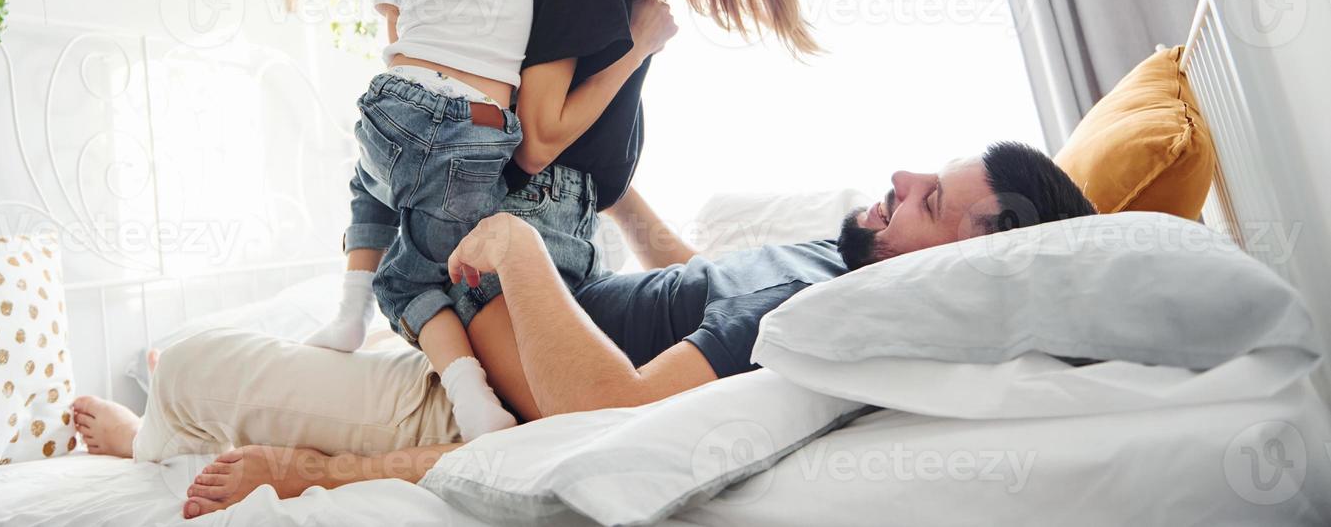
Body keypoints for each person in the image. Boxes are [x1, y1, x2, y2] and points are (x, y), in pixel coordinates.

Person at [72, 0, 820, 514]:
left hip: (547, 254)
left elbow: (601, 181)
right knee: (230, 355)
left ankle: (236, 425)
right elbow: (536, 141)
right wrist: (637, 46)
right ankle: (163, 438)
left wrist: (703, 272)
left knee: (434, 342)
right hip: (511, 250)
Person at [72, 142, 1095, 517]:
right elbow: (682, 303)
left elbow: (611, 411)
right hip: (481, 336)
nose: (902, 177)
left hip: (466, 382)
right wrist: (628, 198)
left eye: (929, 202)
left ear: (967, 262)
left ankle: (150, 444)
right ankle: (182, 432)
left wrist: (516, 250)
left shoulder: (826, 307)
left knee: (193, 358)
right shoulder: (824, 264)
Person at [305, 0, 646, 442]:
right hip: (484, 136)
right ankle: (432, 369)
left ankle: (359, 317)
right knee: (406, 248)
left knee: (379, 202)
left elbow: (399, 52)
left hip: (403, 107)